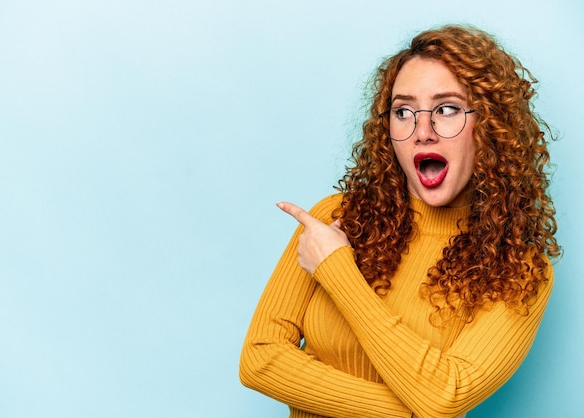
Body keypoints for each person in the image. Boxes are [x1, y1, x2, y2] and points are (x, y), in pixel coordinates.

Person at [239, 24, 561, 418]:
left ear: (490, 127)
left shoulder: (519, 270)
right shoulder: (335, 219)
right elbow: (259, 359)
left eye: (447, 109)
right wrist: (407, 413)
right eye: (404, 111)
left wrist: (337, 271)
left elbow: (446, 396)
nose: (422, 132)